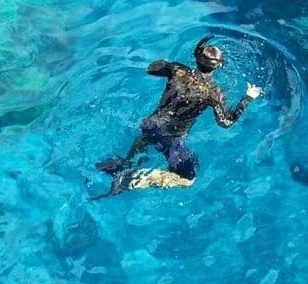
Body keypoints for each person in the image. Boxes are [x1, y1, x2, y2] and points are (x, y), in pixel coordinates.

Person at [95, 34, 262, 197]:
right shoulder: (214, 93)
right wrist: (248, 98)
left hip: (150, 124)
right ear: (217, 66)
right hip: (172, 137)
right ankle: (130, 180)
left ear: (197, 58)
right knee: (188, 179)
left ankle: (123, 164)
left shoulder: (177, 70)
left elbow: (151, 68)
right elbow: (225, 122)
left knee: (147, 138)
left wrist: (171, 65)